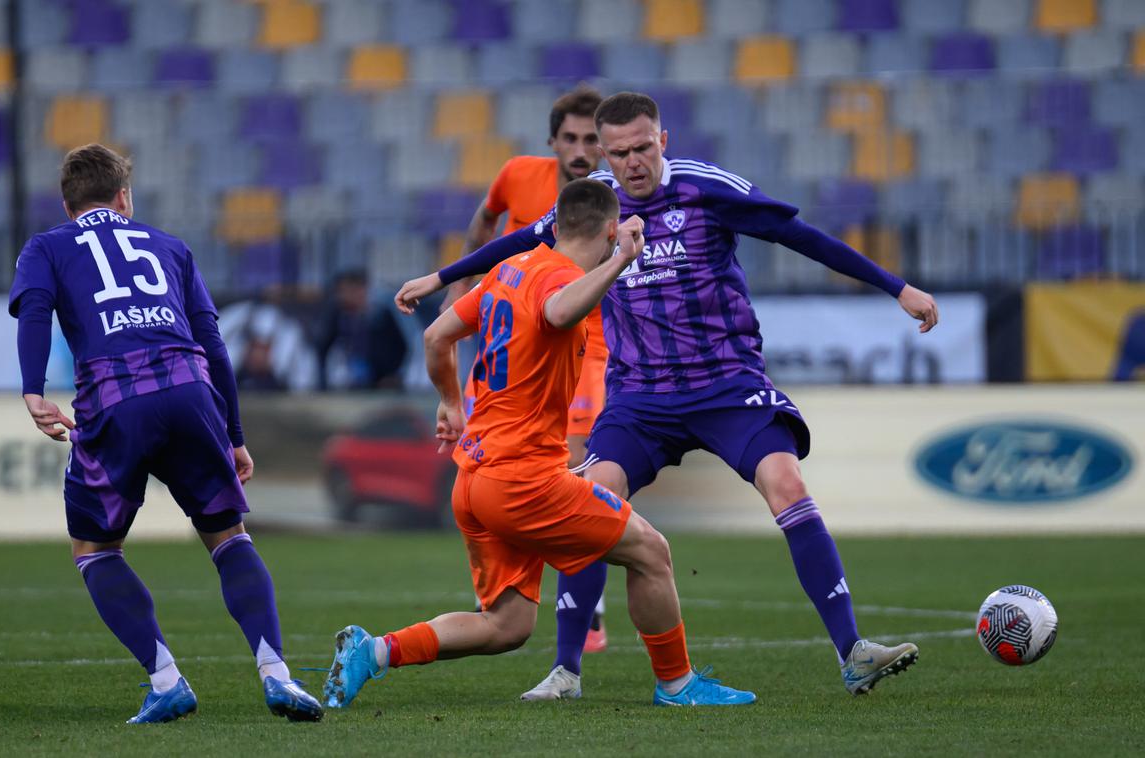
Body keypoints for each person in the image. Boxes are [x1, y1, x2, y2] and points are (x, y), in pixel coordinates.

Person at [395, 92, 940, 699]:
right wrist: (444, 277)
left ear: (664, 141)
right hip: (641, 395)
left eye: (643, 148)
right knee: (594, 496)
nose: (633, 163)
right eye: (620, 152)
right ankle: (566, 671)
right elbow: (521, 241)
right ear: (604, 152)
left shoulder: (707, 189)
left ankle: (853, 651)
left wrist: (898, 288)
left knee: (786, 485)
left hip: (725, 383)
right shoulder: (597, 204)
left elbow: (800, 236)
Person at [323, 179, 757, 709]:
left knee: (506, 625)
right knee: (651, 552)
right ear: (604, 231)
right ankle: (678, 684)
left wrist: (451, 403)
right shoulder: (559, 275)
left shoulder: (510, 269)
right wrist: (621, 259)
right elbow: (557, 312)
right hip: (523, 479)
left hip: (473, 478)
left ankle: (375, 652)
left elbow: (436, 337)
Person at [9, 144, 322, 724]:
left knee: (95, 549)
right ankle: (278, 675)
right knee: (228, 536)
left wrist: (33, 390)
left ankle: (166, 680)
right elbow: (213, 341)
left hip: (114, 400)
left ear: (66, 203)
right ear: (124, 197)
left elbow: (34, 310)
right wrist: (232, 431)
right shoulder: (169, 246)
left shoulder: (47, 246)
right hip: (189, 390)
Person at [453, 85, 614, 671]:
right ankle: (506, 580)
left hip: (584, 349)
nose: (580, 149)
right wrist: (459, 288)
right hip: (509, 347)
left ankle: (581, 600)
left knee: (568, 466)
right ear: (551, 142)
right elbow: (482, 227)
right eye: (569, 138)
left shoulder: (608, 201)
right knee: (495, 458)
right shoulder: (517, 175)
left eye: (591, 138)